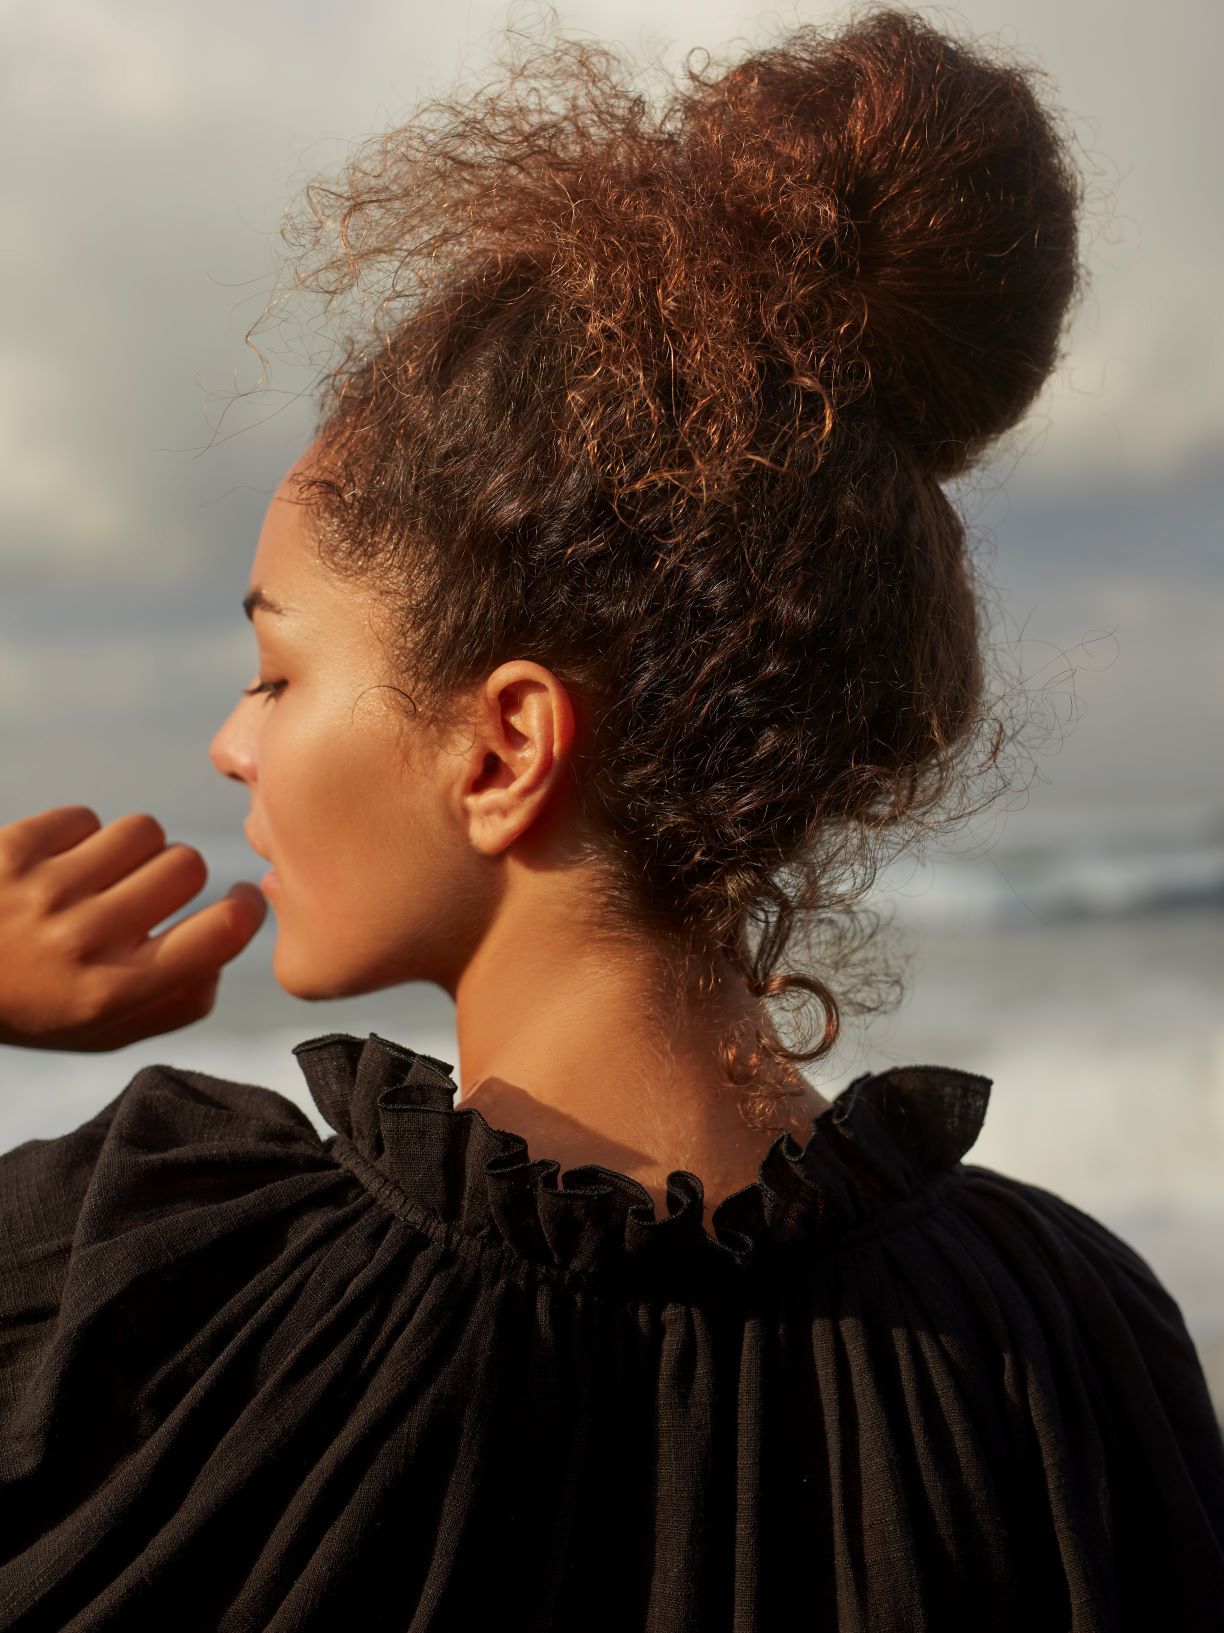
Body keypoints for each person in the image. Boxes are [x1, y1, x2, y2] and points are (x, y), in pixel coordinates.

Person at [1, 7, 1222, 1628]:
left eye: (278, 671)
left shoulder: (147, 1280)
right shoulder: (1065, 1345)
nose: (232, 745)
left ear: (506, 745)